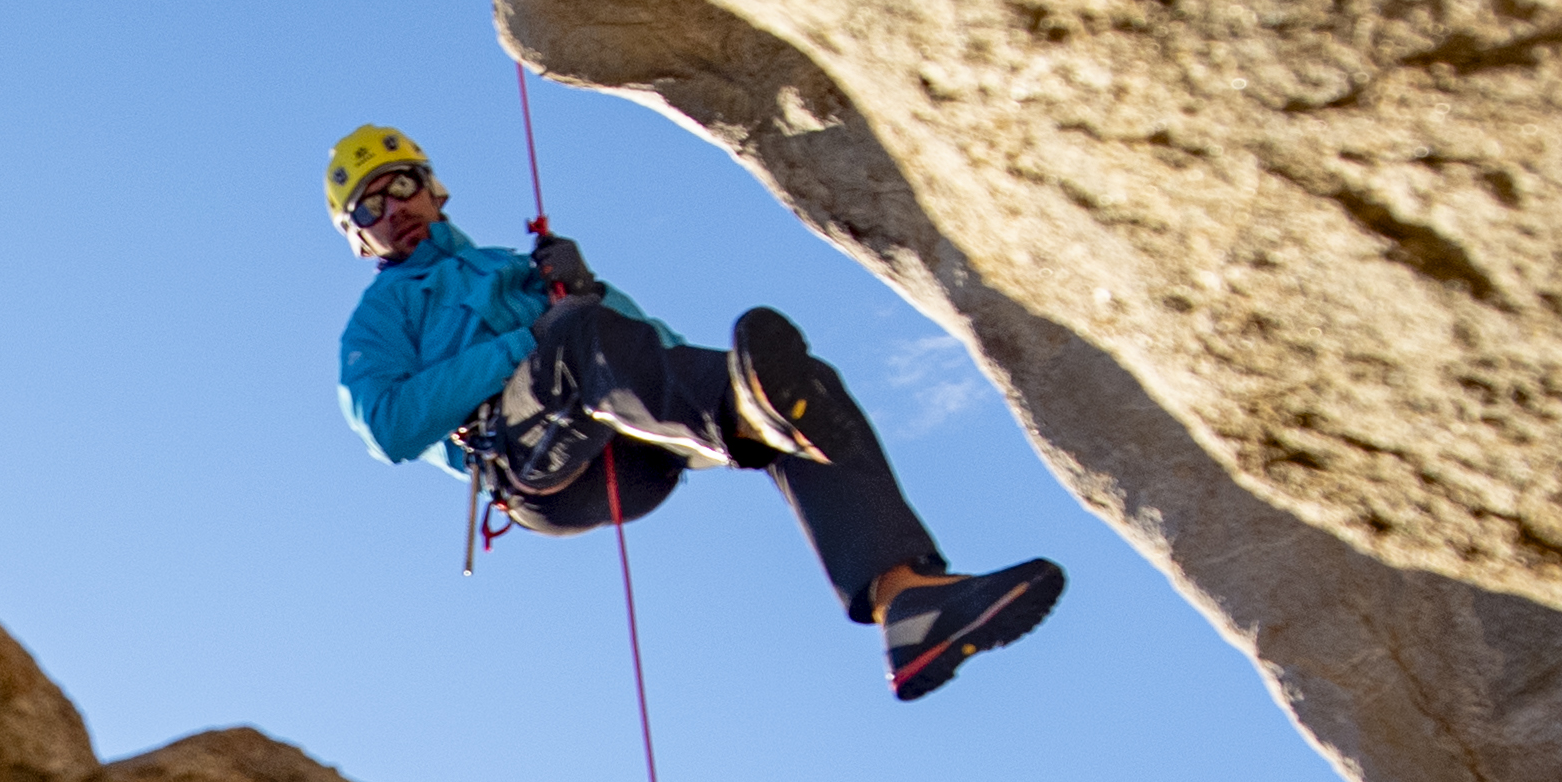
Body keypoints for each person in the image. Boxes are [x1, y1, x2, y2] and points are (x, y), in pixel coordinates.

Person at [326, 124, 1065, 701]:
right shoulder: (381, 315)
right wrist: (537, 330)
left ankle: (907, 603)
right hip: (535, 467)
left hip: (636, 449)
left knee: (799, 390)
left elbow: (657, 350)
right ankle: (740, 413)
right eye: (370, 207)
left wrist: (587, 289)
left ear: (434, 189)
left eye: (400, 185)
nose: (393, 209)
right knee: (602, 345)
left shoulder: (515, 266)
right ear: (359, 238)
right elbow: (387, 422)